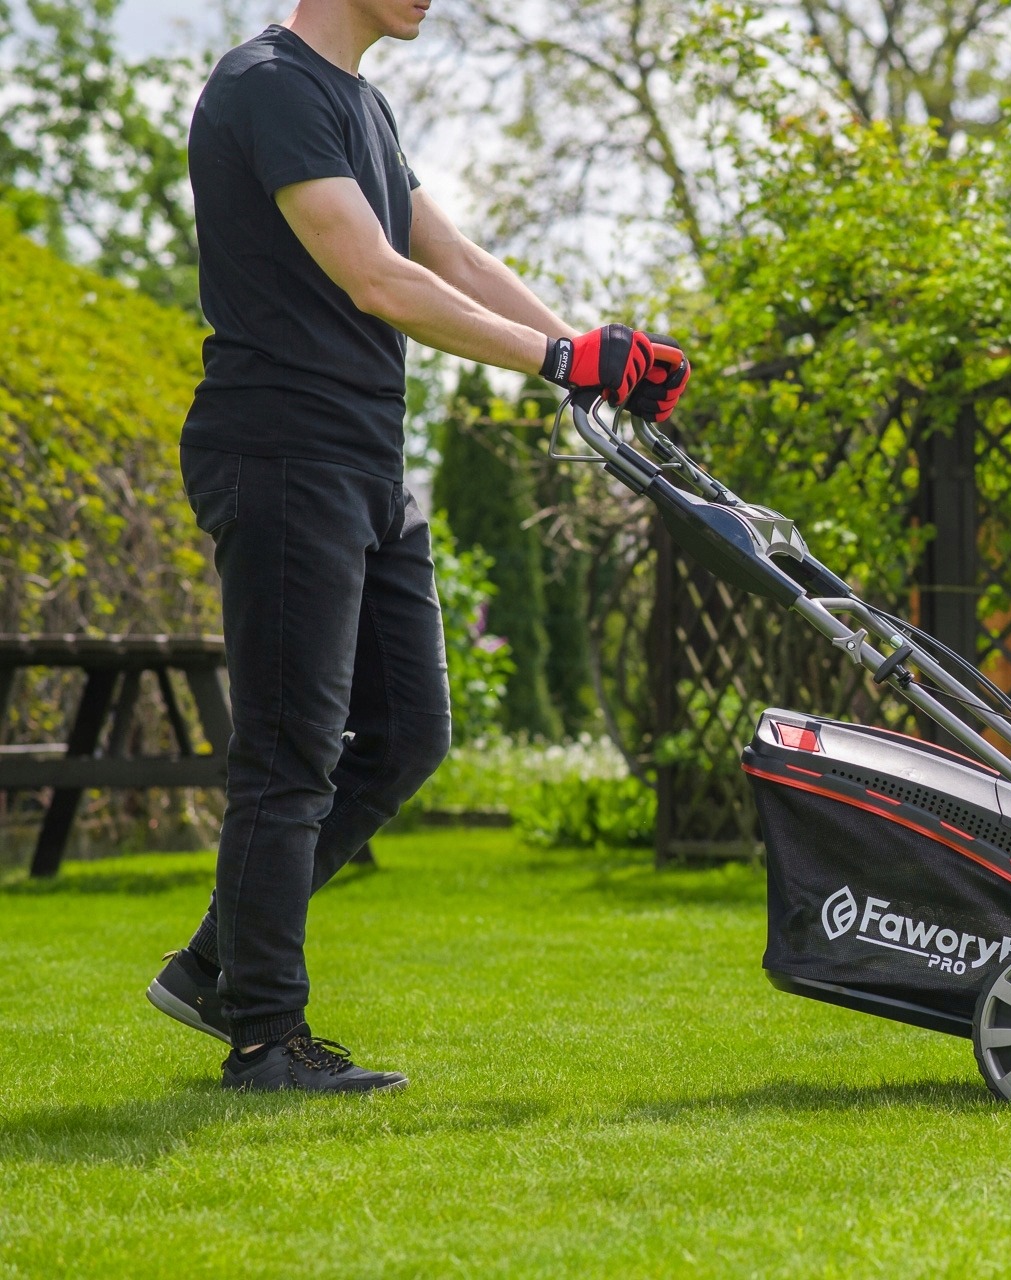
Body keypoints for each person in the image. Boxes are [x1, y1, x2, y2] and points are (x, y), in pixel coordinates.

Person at [143, 0, 689, 1093]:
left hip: (368, 462)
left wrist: (591, 356)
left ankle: (214, 963)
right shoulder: (267, 86)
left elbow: (449, 256)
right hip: (286, 450)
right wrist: (553, 362)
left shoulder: (364, 105)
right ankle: (264, 1037)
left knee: (407, 734)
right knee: (290, 752)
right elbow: (378, 279)